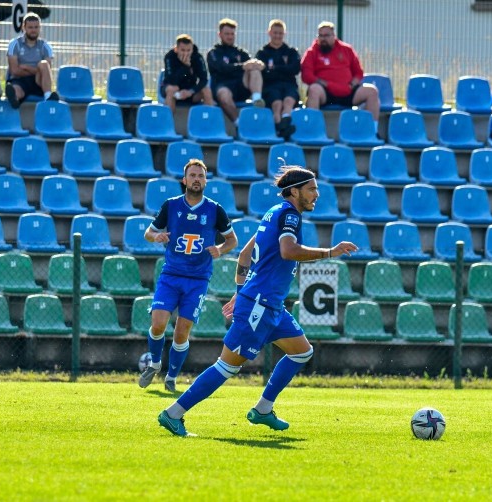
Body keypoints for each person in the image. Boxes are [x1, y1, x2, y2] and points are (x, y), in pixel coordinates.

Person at [158, 166, 358, 436]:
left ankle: (263, 408)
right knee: (227, 366)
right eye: (311, 189)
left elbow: (244, 255)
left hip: (270, 305)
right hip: (260, 306)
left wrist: (241, 291)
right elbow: (288, 251)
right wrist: (330, 252)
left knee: (302, 352)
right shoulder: (289, 215)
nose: (316, 195)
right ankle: (173, 414)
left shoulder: (273, 213)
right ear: (295, 191)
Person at [138, 159, 238, 393]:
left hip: (198, 280)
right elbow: (148, 233)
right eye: (192, 175)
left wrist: (220, 249)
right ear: (184, 180)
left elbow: (232, 240)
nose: (196, 179)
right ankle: (154, 363)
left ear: (205, 181)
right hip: (171, 275)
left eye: (200, 176)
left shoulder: (215, 209)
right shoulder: (171, 206)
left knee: (182, 330)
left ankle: (171, 377)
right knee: (159, 323)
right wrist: (157, 237)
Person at [300, 22, 380, 127]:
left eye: (327, 35)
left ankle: (372, 131)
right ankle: (312, 129)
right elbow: (306, 75)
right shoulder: (311, 52)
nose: (323, 39)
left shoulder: (347, 49)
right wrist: (323, 83)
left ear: (334, 36)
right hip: (326, 93)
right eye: (320, 35)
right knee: (313, 89)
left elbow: (358, 72)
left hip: (347, 91)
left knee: (372, 91)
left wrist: (352, 84)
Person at [206, 18, 264, 124]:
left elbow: (249, 65)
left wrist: (259, 65)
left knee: (254, 69)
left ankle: (257, 100)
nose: (230, 37)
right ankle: (239, 124)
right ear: (220, 34)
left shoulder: (241, 53)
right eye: (227, 34)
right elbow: (221, 68)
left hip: (241, 88)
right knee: (224, 95)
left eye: (232, 34)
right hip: (222, 87)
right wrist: (242, 66)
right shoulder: (214, 52)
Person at [255, 19, 300, 141]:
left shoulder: (291, 52)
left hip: (289, 85)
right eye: (275, 33)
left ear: (284, 34)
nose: (277, 36)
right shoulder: (262, 53)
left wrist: (274, 68)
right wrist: (283, 69)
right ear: (269, 33)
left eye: (280, 33)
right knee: (277, 103)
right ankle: (282, 128)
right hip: (270, 86)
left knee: (289, 100)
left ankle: (283, 124)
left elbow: (295, 69)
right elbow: (264, 72)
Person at [4, 12, 57, 108]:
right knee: (15, 90)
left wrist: (26, 67)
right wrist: (36, 71)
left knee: (43, 64)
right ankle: (14, 99)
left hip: (39, 81)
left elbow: (47, 71)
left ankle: (48, 97)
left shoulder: (46, 46)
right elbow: (14, 71)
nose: (33, 30)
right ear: (24, 28)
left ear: (40, 28)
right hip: (20, 80)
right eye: (30, 27)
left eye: (36, 27)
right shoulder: (14, 44)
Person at [162, 34, 214, 113]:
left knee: (206, 90)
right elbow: (171, 81)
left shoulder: (197, 57)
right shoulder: (169, 57)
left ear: (192, 49)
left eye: (188, 50)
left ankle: (210, 122)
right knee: (172, 89)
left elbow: (204, 79)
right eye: (182, 50)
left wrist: (191, 91)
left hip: (190, 91)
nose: (186, 53)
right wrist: (185, 67)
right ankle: (167, 123)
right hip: (173, 90)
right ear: (176, 49)